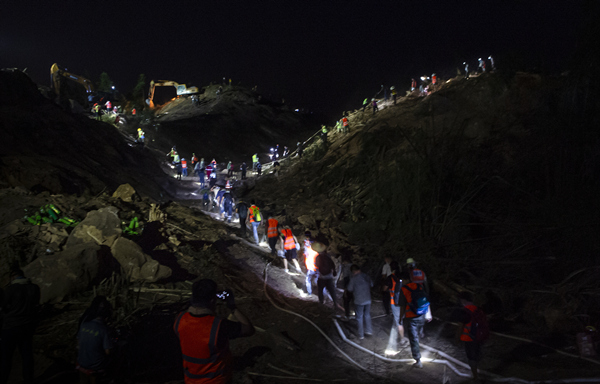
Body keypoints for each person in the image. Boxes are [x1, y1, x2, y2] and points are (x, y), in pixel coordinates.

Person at [174, 279, 255, 384]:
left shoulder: (179, 320)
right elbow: (249, 329)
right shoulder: (218, 326)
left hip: (190, 380)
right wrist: (232, 307)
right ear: (212, 300)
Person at [1, 268, 40, 384]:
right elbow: (36, 306)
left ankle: (3, 379)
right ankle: (28, 379)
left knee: (6, 357)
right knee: (27, 355)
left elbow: (4, 306)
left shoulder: (12, 289)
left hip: (10, 327)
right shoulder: (34, 288)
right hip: (27, 326)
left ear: (13, 277)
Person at [76, 296, 115, 383]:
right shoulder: (103, 329)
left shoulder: (84, 323)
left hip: (81, 362)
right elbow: (108, 352)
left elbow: (78, 343)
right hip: (95, 366)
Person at [452, 291, 484, 380]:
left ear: (463, 300)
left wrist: (457, 339)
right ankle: (477, 372)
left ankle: (475, 377)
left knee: (471, 357)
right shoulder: (478, 309)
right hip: (479, 337)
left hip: (469, 339)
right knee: (477, 355)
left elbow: (460, 327)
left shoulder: (465, 311)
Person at [400, 278, 429, 368]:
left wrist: (401, 318)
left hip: (411, 316)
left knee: (413, 338)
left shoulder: (404, 289)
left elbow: (402, 306)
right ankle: (421, 338)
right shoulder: (419, 286)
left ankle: (418, 360)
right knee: (418, 334)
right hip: (422, 314)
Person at [383, 261, 408, 353]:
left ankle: (402, 339)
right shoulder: (404, 278)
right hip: (405, 302)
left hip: (395, 303)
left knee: (399, 322)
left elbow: (384, 289)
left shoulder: (390, 278)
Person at [346, 265, 373, 339]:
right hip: (368, 299)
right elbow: (372, 284)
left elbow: (349, 289)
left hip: (359, 300)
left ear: (354, 271)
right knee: (367, 315)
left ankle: (361, 335)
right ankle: (369, 331)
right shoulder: (366, 276)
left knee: (359, 317)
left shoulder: (353, 279)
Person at [313, 242, 337, 312]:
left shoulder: (317, 257)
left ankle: (321, 303)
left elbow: (317, 265)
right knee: (332, 291)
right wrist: (334, 271)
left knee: (320, 290)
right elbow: (332, 264)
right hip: (329, 276)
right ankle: (335, 303)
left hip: (322, 277)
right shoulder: (328, 256)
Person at [303, 231, 318, 296]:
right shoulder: (317, 251)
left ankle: (310, 293)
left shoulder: (308, 250)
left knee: (307, 280)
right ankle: (323, 293)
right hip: (317, 268)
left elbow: (305, 253)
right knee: (318, 281)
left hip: (311, 268)